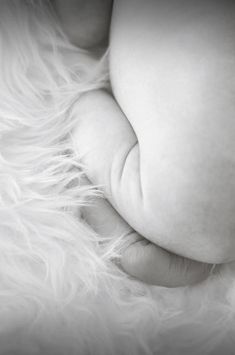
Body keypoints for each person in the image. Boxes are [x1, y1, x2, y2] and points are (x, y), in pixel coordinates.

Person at [54, 0, 235, 286]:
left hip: (180, 197)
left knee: (73, 107)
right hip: (185, 195)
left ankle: (128, 243)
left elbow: (83, 31)